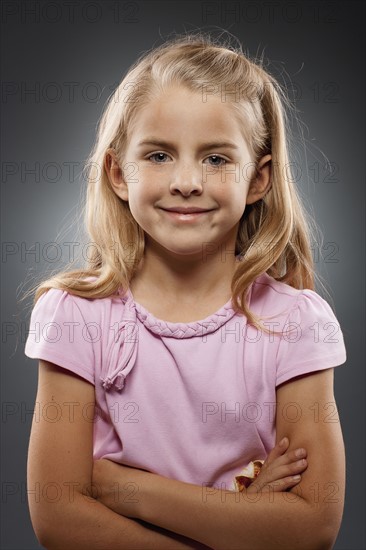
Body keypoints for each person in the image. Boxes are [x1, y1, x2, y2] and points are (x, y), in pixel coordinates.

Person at [24, 31, 347, 549]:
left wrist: (120, 487)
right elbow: (58, 517)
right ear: (118, 173)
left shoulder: (296, 324)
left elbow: (311, 527)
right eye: (158, 155)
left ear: (258, 179)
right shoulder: (75, 315)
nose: (187, 181)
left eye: (217, 159)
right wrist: (238, 517)